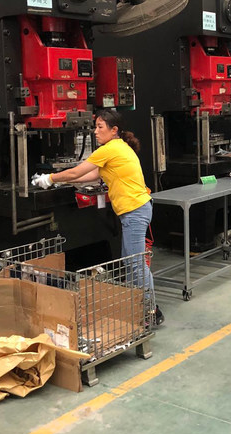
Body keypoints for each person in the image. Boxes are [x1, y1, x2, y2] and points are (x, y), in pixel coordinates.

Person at [32, 109, 163, 324]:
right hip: (137, 209)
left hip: (134, 211)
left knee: (136, 264)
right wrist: (60, 180)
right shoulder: (119, 147)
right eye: (95, 127)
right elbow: (90, 175)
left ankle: (151, 312)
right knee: (130, 262)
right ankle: (136, 307)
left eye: (100, 127)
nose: (95, 131)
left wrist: (50, 178)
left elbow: (77, 172)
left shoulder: (110, 148)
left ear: (114, 130)